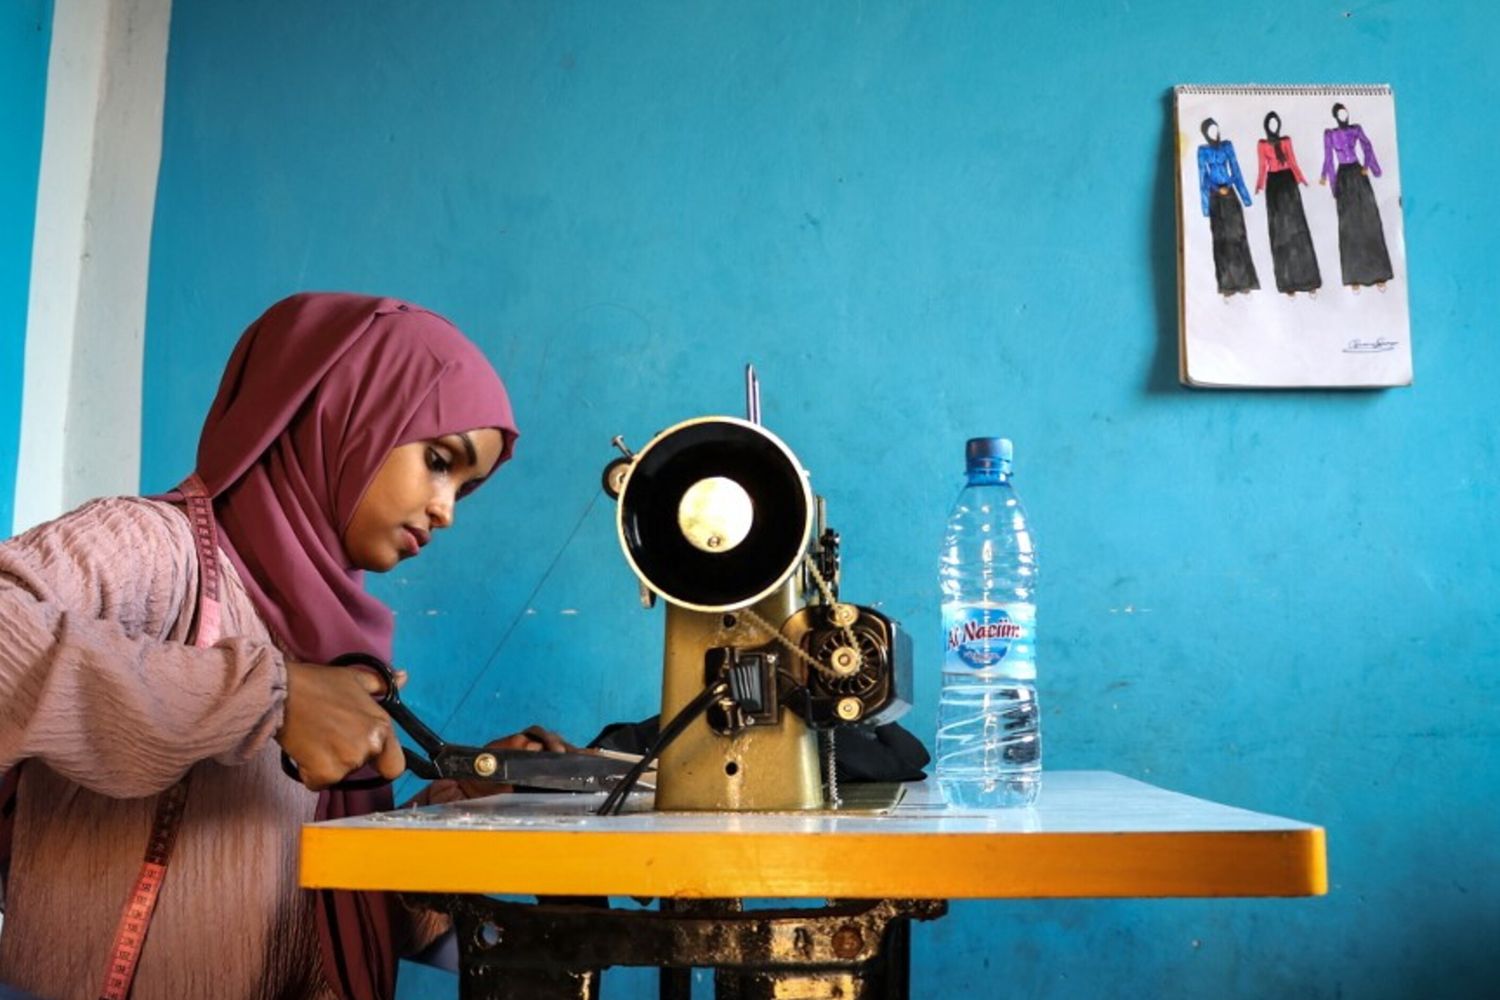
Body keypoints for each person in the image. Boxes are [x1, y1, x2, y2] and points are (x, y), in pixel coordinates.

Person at [0, 292, 555, 1000]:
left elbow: (337, 914)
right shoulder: (156, 550)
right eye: (440, 461)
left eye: (465, 489)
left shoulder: (335, 640)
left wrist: (469, 807)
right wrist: (267, 696)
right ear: (345, 411)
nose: (447, 510)